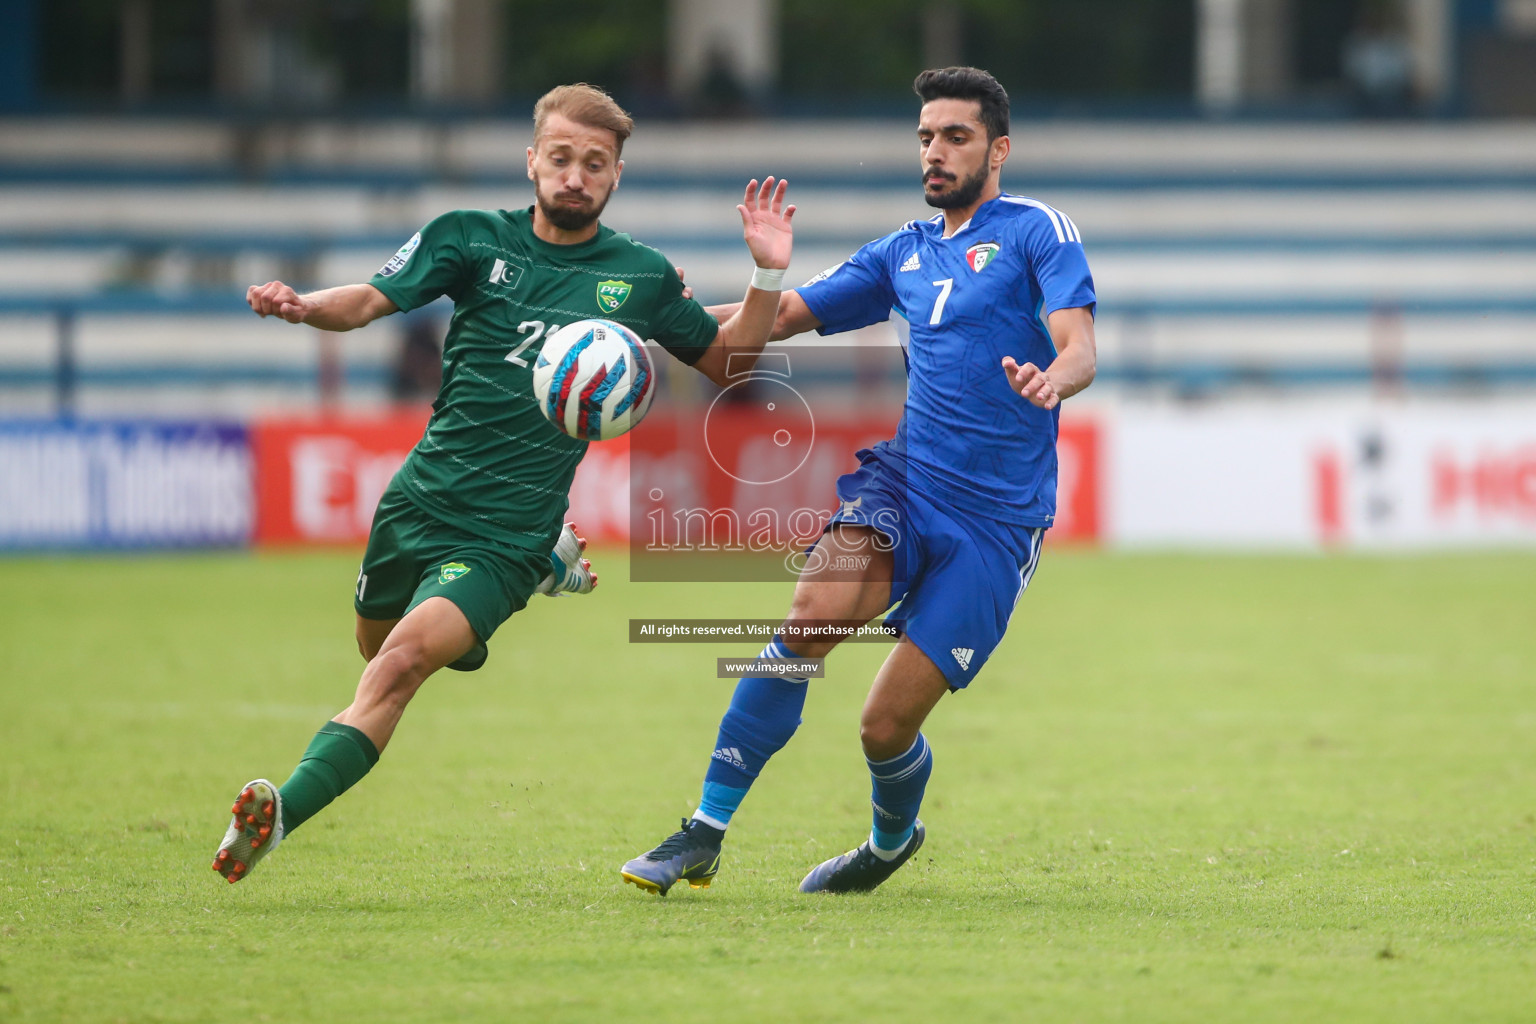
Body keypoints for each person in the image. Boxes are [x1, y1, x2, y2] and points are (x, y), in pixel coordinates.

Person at [213, 83, 796, 884]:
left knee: (399, 668)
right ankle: (519, 595)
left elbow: (728, 363)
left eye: (595, 164)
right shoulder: (469, 239)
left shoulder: (642, 276)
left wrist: (766, 277)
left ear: (616, 175)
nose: (575, 176)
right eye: (560, 158)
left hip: (505, 533)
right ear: (532, 161)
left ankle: (279, 812)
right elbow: (367, 302)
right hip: (416, 501)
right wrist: (302, 305)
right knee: (375, 646)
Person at [621, 66, 1097, 896]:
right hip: (907, 487)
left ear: (999, 148)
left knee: (883, 727)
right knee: (809, 615)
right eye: (925, 137)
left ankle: (887, 844)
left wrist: (1056, 378)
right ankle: (703, 830)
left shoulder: (1037, 232)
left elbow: (1079, 341)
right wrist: (710, 303)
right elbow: (764, 327)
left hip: (995, 525)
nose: (935, 152)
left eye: (955, 136)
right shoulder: (901, 252)